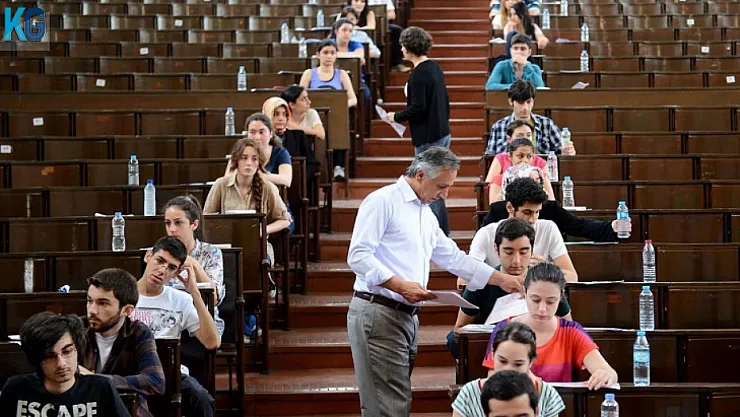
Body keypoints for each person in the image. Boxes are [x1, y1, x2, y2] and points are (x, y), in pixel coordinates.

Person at [347, 147, 522, 417]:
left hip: (405, 315)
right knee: (387, 406)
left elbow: (454, 258)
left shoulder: (426, 214)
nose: (445, 194)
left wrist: (502, 280)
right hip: (379, 310)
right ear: (420, 174)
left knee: (394, 401)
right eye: (441, 186)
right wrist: (398, 285)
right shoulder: (383, 201)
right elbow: (358, 256)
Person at [447, 218, 571, 359]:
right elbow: (459, 329)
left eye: (523, 252)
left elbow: (569, 327)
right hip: (492, 347)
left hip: (539, 347)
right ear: (496, 249)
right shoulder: (481, 282)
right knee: (453, 340)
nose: (516, 261)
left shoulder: (547, 281)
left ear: (532, 250)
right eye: (509, 252)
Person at [482, 263, 618, 389]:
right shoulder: (505, 329)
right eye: (535, 300)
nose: (542, 309)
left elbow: (609, 373)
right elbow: (493, 380)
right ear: (525, 292)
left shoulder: (571, 332)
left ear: (560, 297)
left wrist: (605, 375)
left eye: (550, 302)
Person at [130, 236, 220, 417]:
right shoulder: (123, 295)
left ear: (177, 273)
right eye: (159, 261)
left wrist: (194, 291)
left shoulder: (181, 299)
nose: (162, 270)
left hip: (170, 375)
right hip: (132, 372)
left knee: (202, 400)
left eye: (171, 268)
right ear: (148, 256)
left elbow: (212, 342)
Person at [0, 312, 131, 416]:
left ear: (77, 349)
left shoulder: (101, 388)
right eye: (50, 356)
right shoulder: (16, 389)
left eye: (67, 351)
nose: (61, 363)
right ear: (37, 359)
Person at [387, 26, 452, 236]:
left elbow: (418, 108)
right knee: (436, 185)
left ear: (409, 47)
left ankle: (437, 234)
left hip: (428, 137)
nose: (401, 49)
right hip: (441, 131)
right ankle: (440, 232)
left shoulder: (418, 74)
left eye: (403, 46)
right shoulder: (435, 67)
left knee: (430, 187)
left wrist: (395, 116)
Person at [81, 268, 165, 417]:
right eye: (89, 301)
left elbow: (155, 381)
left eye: (103, 303)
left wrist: (97, 380)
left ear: (126, 310)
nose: (92, 310)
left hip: (127, 410)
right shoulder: (77, 329)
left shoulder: (138, 332)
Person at [204, 137, 292, 264]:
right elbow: (206, 218)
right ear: (236, 161)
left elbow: (285, 220)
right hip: (228, 245)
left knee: (258, 262)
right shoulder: (221, 185)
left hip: (258, 246)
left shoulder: (268, 188)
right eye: (244, 158)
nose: (249, 163)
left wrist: (263, 230)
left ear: (259, 162)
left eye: (254, 159)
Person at [474, 178, 578, 282]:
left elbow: (572, 276)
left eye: (537, 212)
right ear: (509, 207)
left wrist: (546, 269)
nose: (533, 220)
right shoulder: (486, 234)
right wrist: (504, 279)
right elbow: (466, 277)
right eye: (527, 212)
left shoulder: (549, 229)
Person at [452, 322, 565, 417]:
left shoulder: (547, 394)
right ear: (492, 355)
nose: (508, 369)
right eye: (502, 361)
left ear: (530, 362)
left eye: (518, 364)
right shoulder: (469, 394)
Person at [164, 195, 225, 338]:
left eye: (178, 223)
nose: (172, 229)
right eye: (168, 223)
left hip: (202, 320)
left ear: (194, 225)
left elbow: (214, 299)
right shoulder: (161, 253)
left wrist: (194, 264)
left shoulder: (211, 252)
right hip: (169, 320)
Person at [300, 39, 358, 181]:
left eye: (332, 53)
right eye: (325, 53)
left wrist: (339, 105)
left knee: (339, 125)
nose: (329, 56)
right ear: (318, 55)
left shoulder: (342, 74)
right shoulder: (309, 74)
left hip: (336, 115)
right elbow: (300, 97)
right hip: (314, 115)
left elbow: (353, 99)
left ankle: (339, 167)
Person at [486, 80, 575, 156]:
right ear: (511, 102)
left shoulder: (547, 124)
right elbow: (489, 158)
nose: (525, 107)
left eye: (528, 102)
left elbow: (561, 152)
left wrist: (567, 151)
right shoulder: (498, 126)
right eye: (520, 103)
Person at [263, 97, 320, 191]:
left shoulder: (298, 136)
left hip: (296, 187)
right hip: (268, 186)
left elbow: (313, 164)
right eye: (276, 114)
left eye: (284, 114)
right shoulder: (262, 138)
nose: (281, 118)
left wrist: (301, 180)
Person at [484, 121, 547, 202]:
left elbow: (549, 198)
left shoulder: (541, 163)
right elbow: (489, 185)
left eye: (528, 135)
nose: (525, 160)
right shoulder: (500, 160)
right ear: (509, 139)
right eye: (520, 135)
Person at [490, 139, 555, 202]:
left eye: (529, 156)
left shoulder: (540, 176)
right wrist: (511, 180)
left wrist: (538, 184)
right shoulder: (499, 179)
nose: (525, 160)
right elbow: (494, 205)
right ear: (510, 157)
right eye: (520, 156)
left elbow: (551, 202)